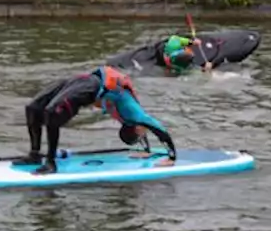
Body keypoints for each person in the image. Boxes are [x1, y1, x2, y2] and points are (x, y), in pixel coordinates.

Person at [23, 65, 176, 174]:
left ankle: (50, 162)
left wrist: (146, 151)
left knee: (52, 112)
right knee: (33, 108)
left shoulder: (130, 117)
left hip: (87, 83)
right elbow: (158, 128)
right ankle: (34, 155)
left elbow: (142, 128)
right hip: (88, 82)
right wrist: (171, 157)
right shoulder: (133, 114)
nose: (143, 131)